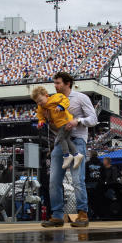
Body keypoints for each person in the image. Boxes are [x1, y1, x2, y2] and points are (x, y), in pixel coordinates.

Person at [41, 72, 98, 228]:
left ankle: (82, 213)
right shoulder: (53, 100)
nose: (55, 86)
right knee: (53, 181)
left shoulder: (80, 98)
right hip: (60, 141)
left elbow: (93, 119)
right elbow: (54, 127)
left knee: (77, 180)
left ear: (68, 83)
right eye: (54, 83)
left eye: (58, 83)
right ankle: (58, 215)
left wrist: (77, 120)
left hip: (77, 141)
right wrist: (47, 119)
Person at [32, 86, 83, 170]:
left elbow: (65, 100)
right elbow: (40, 117)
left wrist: (60, 106)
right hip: (59, 125)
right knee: (66, 139)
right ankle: (77, 155)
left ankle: (67, 155)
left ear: (46, 95)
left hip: (66, 121)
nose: (40, 103)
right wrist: (41, 122)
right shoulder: (41, 108)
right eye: (37, 102)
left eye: (40, 100)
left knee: (60, 138)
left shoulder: (55, 97)